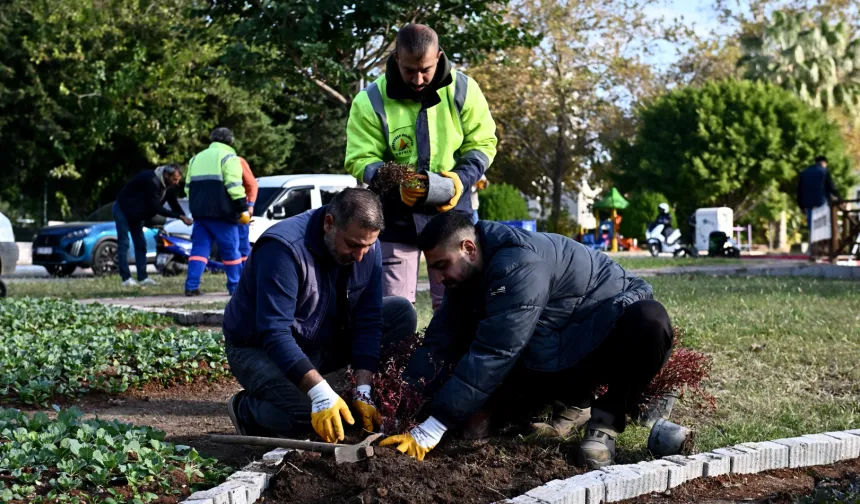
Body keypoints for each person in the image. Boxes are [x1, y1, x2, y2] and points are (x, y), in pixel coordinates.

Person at [380, 213, 673, 469]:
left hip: (607, 331)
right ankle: (575, 402)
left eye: (442, 265)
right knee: (475, 422)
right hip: (562, 338)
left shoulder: (517, 264)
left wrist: (436, 424)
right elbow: (438, 343)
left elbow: (494, 351)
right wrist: (400, 405)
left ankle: (604, 421)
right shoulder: (469, 273)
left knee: (650, 321)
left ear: (468, 248)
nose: (438, 277)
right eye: (432, 268)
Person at [222, 188, 418, 442]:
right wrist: (320, 394)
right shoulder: (283, 250)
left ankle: (338, 390)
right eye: (353, 245)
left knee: (401, 312)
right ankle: (247, 409)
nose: (360, 256)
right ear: (329, 224)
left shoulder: (367, 245)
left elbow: (368, 319)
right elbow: (274, 332)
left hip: (319, 338)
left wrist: (364, 388)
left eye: (368, 246)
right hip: (257, 348)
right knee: (308, 415)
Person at [344, 24, 497, 311]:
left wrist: (458, 181)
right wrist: (395, 181)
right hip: (395, 215)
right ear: (396, 58)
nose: (418, 79)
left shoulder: (464, 89)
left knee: (459, 304)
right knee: (394, 307)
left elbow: (483, 143)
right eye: (409, 70)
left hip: (452, 213)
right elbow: (359, 158)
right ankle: (397, 356)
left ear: (438, 57)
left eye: (425, 69)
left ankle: (454, 357)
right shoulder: (370, 100)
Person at [184, 128, 249, 296]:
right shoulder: (229, 157)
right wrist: (243, 208)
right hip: (223, 215)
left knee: (199, 251)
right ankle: (235, 288)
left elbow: (188, 189)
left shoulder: (195, 159)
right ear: (230, 141)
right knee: (231, 252)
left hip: (200, 215)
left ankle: (191, 286)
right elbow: (234, 186)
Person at [114, 164, 192, 287]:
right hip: (123, 209)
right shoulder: (151, 181)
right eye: (174, 179)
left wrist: (184, 217)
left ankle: (142, 277)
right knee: (124, 243)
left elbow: (174, 204)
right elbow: (155, 207)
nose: (176, 183)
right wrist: (179, 217)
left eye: (178, 180)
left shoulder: (169, 187)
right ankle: (126, 279)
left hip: (137, 213)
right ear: (166, 175)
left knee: (141, 244)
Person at [797, 156, 842, 259]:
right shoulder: (824, 172)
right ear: (824, 163)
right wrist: (840, 199)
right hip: (821, 204)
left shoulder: (805, 172)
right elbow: (831, 188)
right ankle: (825, 252)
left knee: (812, 229)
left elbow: (799, 191)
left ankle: (813, 253)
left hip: (808, 205)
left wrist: (801, 206)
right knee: (823, 227)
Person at [238, 157, 258, 265]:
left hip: (240, 210)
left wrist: (250, 205)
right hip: (224, 211)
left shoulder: (237, 161)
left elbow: (252, 184)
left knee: (242, 244)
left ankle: (245, 271)